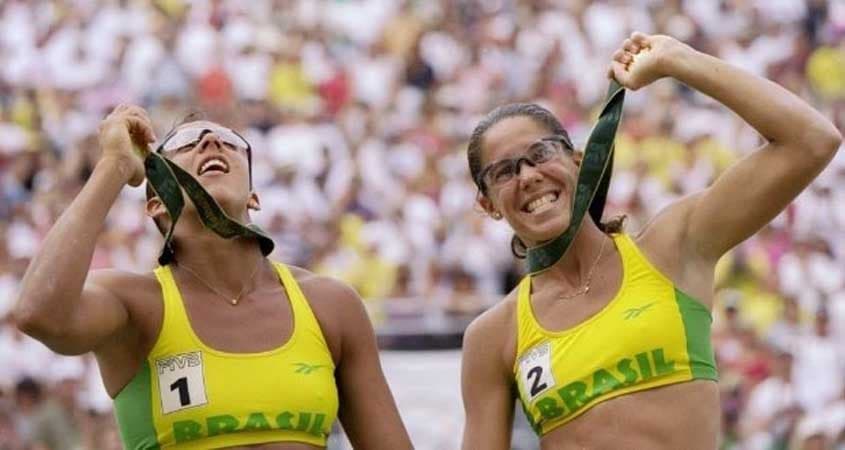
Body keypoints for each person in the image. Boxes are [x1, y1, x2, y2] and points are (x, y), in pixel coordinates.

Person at [460, 32, 841, 450]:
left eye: (541, 154)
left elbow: (812, 140)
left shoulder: (672, 246)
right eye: (504, 172)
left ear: (579, 159)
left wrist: (680, 60)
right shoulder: (494, 336)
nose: (528, 176)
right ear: (488, 203)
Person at [13, 105, 413, 449]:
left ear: (254, 196)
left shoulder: (330, 305)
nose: (210, 142)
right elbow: (38, 313)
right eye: (186, 144)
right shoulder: (135, 303)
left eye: (228, 140)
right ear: (155, 204)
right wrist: (114, 166)